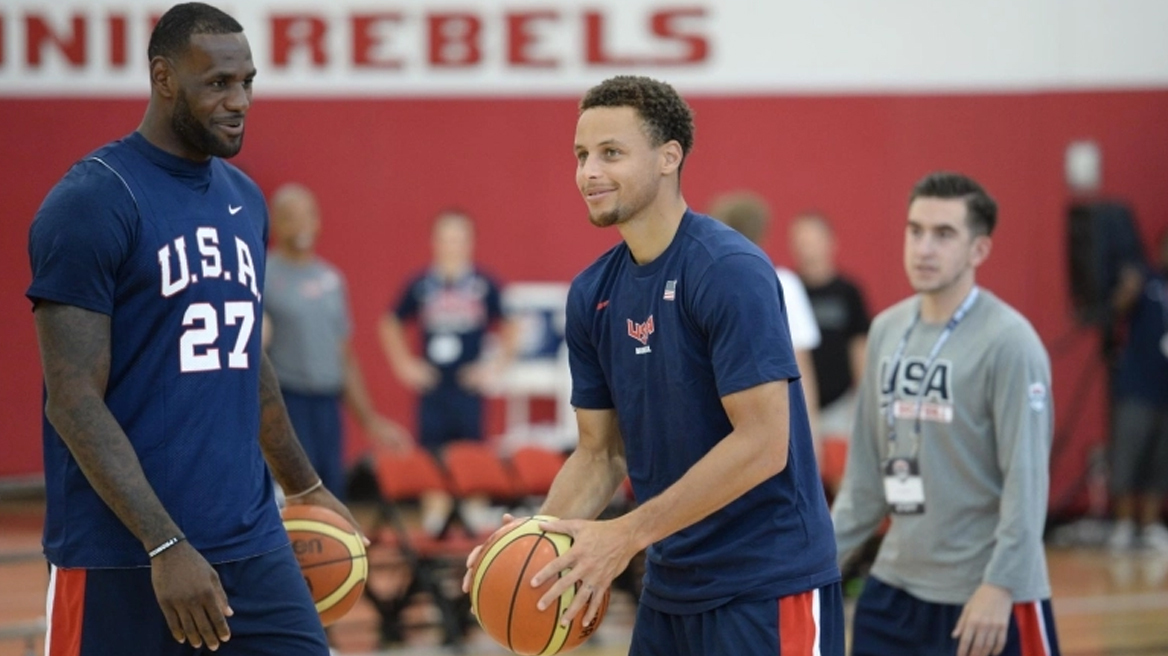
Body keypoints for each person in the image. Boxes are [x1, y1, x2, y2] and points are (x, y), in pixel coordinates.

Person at [464, 75, 843, 655]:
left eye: (611, 153)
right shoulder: (592, 293)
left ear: (670, 157)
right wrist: (533, 542)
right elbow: (601, 453)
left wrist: (626, 534)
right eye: (581, 155)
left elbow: (766, 443)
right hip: (670, 587)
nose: (589, 171)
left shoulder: (728, 270)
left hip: (766, 584)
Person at [25, 4, 357, 654]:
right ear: (164, 78)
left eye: (247, 83)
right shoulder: (92, 201)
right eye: (218, 84)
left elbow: (246, 358)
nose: (239, 102)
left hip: (252, 543)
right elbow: (70, 398)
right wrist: (165, 543)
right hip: (124, 556)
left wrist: (307, 486)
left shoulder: (244, 199)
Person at [832, 172, 1061, 656]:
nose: (924, 248)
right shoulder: (886, 331)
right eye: (915, 230)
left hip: (987, 595)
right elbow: (864, 483)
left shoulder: (1010, 343)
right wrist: (813, 564)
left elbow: (1027, 483)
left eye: (944, 234)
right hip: (894, 590)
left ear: (979, 250)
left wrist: (1000, 586)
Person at [263, 182, 409, 501]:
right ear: (275, 222)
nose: (301, 224)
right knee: (298, 494)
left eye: (308, 215)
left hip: (328, 406)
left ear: (318, 221)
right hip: (288, 403)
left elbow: (344, 356)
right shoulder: (264, 274)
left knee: (331, 493)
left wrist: (369, 420)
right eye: (291, 216)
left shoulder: (331, 280)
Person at [378, 210, 517, 534]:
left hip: (468, 390)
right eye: (446, 238)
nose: (452, 245)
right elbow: (390, 322)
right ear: (434, 242)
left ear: (471, 242)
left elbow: (512, 324)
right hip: (434, 390)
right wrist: (405, 365)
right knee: (431, 459)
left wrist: (493, 367)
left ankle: (475, 525)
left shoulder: (483, 284)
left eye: (459, 238)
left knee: (474, 458)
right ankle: (434, 524)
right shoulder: (422, 284)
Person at [707, 192, 823, 448]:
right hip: (770, 420)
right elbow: (801, 368)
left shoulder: (703, 283)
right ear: (762, 232)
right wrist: (811, 439)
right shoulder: (784, 283)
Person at [1106, 230, 1168, 552]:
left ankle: (1151, 524)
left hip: (1164, 390)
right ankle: (1124, 524)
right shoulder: (1146, 281)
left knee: (1161, 461)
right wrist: (1128, 290)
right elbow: (1117, 309)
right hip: (1137, 387)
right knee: (1129, 457)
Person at [788, 212, 870, 444]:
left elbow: (859, 345)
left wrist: (860, 399)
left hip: (840, 406)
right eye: (801, 242)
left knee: (842, 473)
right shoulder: (789, 290)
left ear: (830, 243)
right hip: (798, 405)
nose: (807, 249)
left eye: (813, 241)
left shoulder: (848, 291)